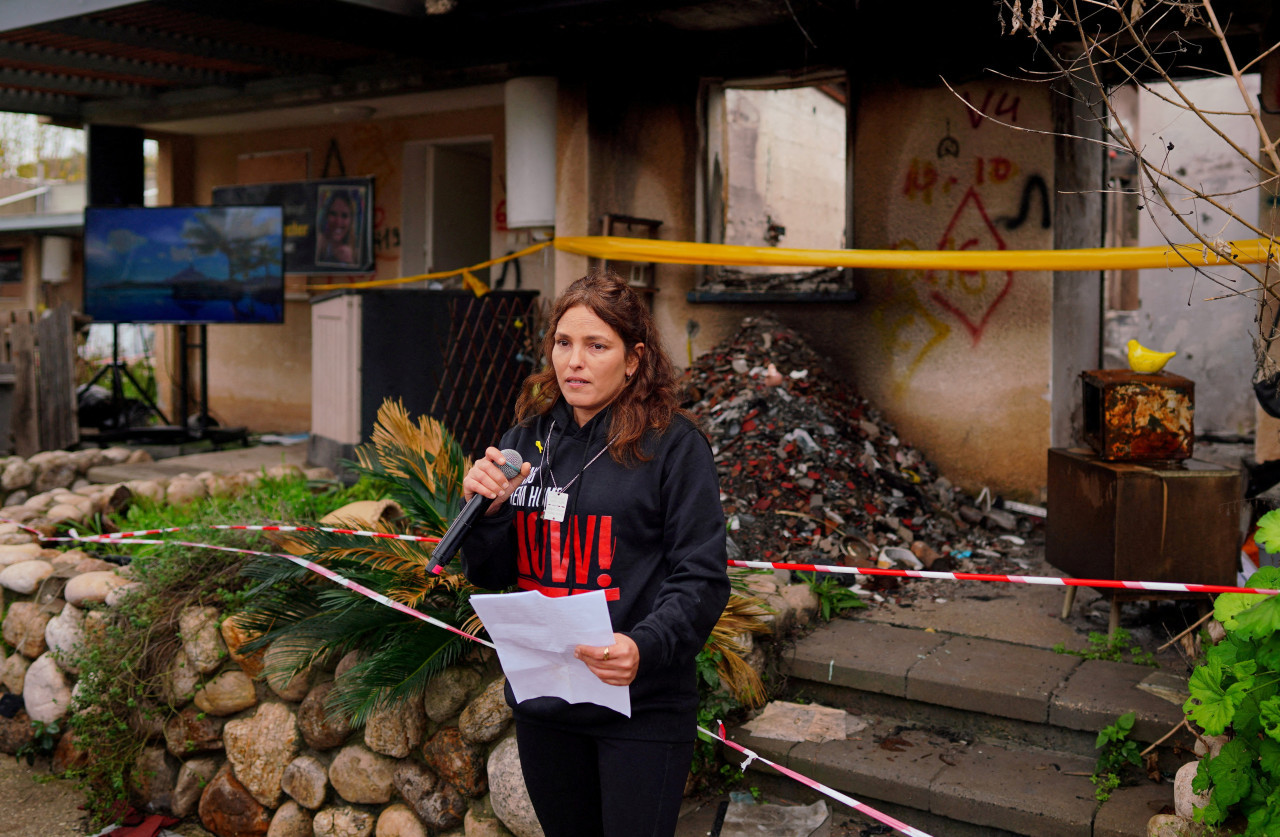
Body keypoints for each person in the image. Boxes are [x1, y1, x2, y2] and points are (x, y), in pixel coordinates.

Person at [460, 270, 730, 837]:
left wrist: (643, 646)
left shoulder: (673, 447)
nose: (574, 361)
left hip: (639, 707)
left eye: (596, 345)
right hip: (545, 707)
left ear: (633, 360)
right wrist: (485, 514)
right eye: (563, 343)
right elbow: (489, 571)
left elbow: (701, 578)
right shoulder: (522, 444)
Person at [316, 190, 357, 266]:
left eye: (344, 216)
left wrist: (351, 262)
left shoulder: (357, 252)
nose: (338, 222)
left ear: (351, 221)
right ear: (326, 216)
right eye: (333, 214)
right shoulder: (318, 245)